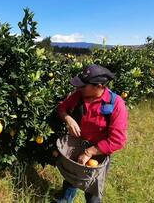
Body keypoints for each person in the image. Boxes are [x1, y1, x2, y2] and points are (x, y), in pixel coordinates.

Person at [56, 64, 128, 203]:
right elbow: (62, 108)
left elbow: (117, 140)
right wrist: (68, 118)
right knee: (71, 179)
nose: (78, 88)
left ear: (99, 86)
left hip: (99, 152)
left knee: (92, 190)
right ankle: (65, 199)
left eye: (83, 86)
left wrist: (89, 152)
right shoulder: (79, 96)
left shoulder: (116, 104)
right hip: (77, 146)